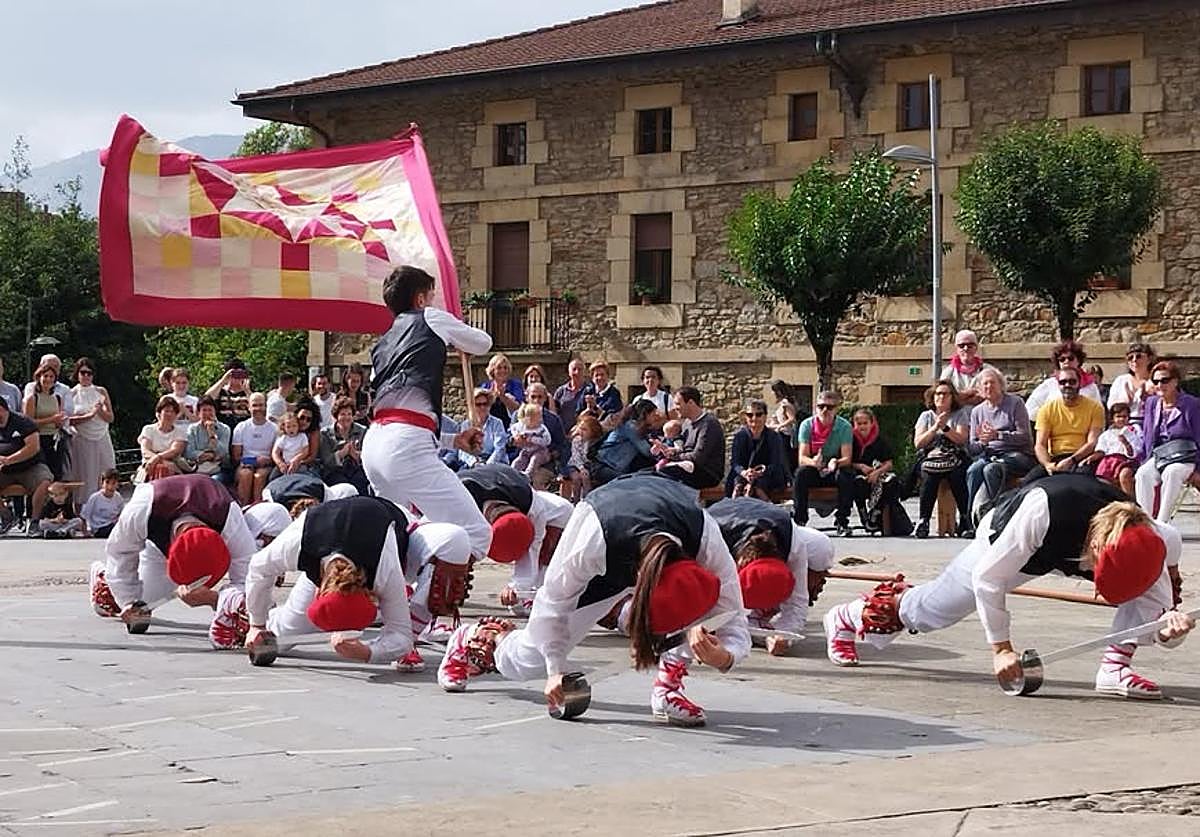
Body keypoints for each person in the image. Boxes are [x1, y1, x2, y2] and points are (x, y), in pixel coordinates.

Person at [823, 473, 1192, 700]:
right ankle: (847, 616)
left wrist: (1171, 629)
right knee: (937, 609)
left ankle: (1114, 669)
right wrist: (1001, 648)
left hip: (1070, 545)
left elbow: (1157, 619)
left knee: (1144, 598)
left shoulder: (1156, 540)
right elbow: (989, 578)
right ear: (1095, 546)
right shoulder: (1044, 511)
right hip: (1006, 541)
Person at [435, 474, 750, 728]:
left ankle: (667, 689)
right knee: (531, 659)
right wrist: (555, 670)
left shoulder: (706, 540)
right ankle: (474, 639)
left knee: (691, 609)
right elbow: (552, 604)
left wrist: (725, 657)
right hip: (605, 524)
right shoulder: (592, 542)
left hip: (653, 522)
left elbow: (732, 614)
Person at [244, 496, 473, 672]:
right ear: (319, 590)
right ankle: (240, 612)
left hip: (403, 535)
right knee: (283, 636)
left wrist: (368, 652)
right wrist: (257, 624)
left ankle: (418, 629)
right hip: (330, 543)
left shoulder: (385, 569)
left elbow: (401, 636)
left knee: (455, 541)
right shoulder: (297, 543)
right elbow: (257, 567)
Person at [361, 265, 494, 561]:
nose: (433, 302)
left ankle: (402, 596)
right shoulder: (430, 317)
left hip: (375, 446)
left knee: (398, 536)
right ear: (420, 300)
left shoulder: (381, 347)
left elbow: (400, 416)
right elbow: (483, 343)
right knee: (477, 534)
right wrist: (457, 329)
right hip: (405, 446)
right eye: (431, 296)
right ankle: (423, 603)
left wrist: (454, 441)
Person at [89, 473, 258, 649]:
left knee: (146, 604)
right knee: (140, 606)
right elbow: (120, 552)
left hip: (192, 525)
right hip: (155, 541)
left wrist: (218, 601)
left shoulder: (229, 518)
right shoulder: (141, 508)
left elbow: (248, 577)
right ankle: (104, 580)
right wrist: (128, 600)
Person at [709, 496, 835, 656]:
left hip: (767, 520)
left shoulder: (794, 546)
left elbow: (797, 603)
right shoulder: (711, 541)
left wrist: (784, 635)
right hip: (721, 518)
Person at [457, 464, 574, 617]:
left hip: (528, 497)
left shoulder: (533, 507)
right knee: (453, 545)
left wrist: (517, 589)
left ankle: (537, 594)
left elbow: (533, 548)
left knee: (564, 510)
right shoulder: (458, 498)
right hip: (472, 492)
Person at [1135, 360, 1200, 523]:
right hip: (1161, 454)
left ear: (1175, 381)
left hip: (1186, 455)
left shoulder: (1191, 405)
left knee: (1172, 473)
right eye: (1155, 381)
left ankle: (1162, 522)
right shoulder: (1152, 403)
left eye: (1164, 380)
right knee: (1142, 474)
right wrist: (1144, 460)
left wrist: (1198, 469)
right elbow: (1148, 436)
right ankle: (1145, 521)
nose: (1159, 385)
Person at [966, 368, 1034, 516]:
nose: (988, 387)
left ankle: (998, 514)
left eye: (992, 383)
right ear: (979, 389)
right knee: (973, 470)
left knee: (991, 469)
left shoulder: (1016, 403)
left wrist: (998, 435)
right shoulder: (977, 411)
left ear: (1001, 385)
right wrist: (983, 442)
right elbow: (972, 448)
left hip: (1018, 455)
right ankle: (969, 521)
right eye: (985, 384)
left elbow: (1025, 437)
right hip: (989, 454)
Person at [913, 381, 973, 539]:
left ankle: (965, 520)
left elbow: (961, 439)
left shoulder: (960, 414)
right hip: (931, 457)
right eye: (938, 394)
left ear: (952, 397)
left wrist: (945, 427)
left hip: (955, 456)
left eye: (945, 394)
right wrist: (934, 428)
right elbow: (918, 443)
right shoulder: (925, 416)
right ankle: (923, 520)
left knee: (957, 474)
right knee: (928, 475)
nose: (941, 397)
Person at [1023, 367, 1104, 484]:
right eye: (1063, 382)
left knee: (1085, 486)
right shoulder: (1046, 409)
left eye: (1072, 382)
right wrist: (1047, 465)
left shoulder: (1095, 408)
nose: (1067, 385)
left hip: (1082, 459)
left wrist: (1072, 460)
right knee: (1026, 485)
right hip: (1055, 459)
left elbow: (1092, 442)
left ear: (1079, 383)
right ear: (1058, 385)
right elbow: (1040, 444)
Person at [791, 390, 854, 536]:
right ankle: (800, 519)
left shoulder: (844, 427)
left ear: (836, 409)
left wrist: (836, 462)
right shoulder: (807, 425)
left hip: (833, 469)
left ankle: (842, 520)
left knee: (846, 475)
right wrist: (813, 462)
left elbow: (847, 458)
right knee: (801, 474)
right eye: (821, 406)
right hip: (814, 468)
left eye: (830, 407)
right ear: (815, 408)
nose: (825, 410)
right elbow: (802, 458)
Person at [654, 386, 726, 490]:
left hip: (707, 473)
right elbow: (682, 448)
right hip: (687, 466)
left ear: (691, 403)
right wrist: (667, 450)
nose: (675, 408)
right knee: (647, 473)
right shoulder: (687, 423)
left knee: (664, 473)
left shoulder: (709, 424)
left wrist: (675, 456)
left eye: (678, 404)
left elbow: (698, 457)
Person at [66, 357, 116, 505]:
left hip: (101, 436)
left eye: (90, 373)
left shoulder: (101, 391)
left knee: (106, 469)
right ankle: (81, 514)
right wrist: (88, 416)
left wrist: (99, 411)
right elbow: (68, 420)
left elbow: (111, 417)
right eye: (83, 372)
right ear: (77, 374)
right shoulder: (71, 393)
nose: (86, 376)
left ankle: (106, 508)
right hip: (81, 438)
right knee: (84, 475)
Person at [845, 408, 901, 534]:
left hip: (877, 474)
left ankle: (876, 513)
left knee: (892, 482)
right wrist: (860, 467)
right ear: (854, 425)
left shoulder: (879, 439)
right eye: (859, 424)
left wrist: (877, 472)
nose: (862, 427)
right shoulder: (850, 439)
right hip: (859, 475)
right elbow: (847, 461)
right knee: (856, 483)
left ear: (872, 423)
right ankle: (863, 514)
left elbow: (889, 463)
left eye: (865, 423)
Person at [0, 396, 52, 529]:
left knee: (44, 481)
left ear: (3, 409)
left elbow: (33, 447)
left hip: (30, 466)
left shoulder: (23, 421)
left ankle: (34, 522)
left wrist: (9, 459)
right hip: (4, 470)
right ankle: (6, 516)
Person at [1025, 339, 1102, 425]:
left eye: (1070, 358)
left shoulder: (1091, 387)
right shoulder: (1050, 384)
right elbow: (1029, 410)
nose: (1066, 362)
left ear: (1079, 361)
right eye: (1062, 359)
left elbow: (1100, 415)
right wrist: (1050, 419)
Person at [725, 398, 789, 500]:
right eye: (750, 415)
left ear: (765, 416)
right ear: (746, 417)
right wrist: (744, 472)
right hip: (745, 475)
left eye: (758, 414)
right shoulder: (740, 436)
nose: (754, 418)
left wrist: (758, 473)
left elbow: (776, 462)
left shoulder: (774, 437)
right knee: (738, 486)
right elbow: (735, 462)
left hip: (768, 475)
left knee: (758, 487)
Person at [590, 400, 661, 486]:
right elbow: (646, 450)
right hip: (604, 466)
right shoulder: (631, 427)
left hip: (615, 467)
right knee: (630, 484)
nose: (656, 417)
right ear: (645, 414)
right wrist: (659, 450)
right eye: (653, 414)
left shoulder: (639, 428)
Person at [24, 362, 70, 481]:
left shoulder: (57, 398)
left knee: (56, 475)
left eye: (51, 377)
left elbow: (57, 421)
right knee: (41, 477)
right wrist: (50, 419)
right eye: (45, 376)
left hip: (55, 440)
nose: (48, 379)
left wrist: (59, 421)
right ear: (39, 377)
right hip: (39, 441)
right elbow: (27, 424)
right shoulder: (33, 398)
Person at [232, 393, 276, 505]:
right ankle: (243, 507)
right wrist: (253, 462)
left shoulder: (274, 428)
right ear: (249, 407)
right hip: (245, 464)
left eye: (261, 405)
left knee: (259, 476)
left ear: (266, 406)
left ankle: (258, 508)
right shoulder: (241, 427)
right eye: (254, 405)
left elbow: (275, 455)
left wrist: (266, 461)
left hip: (267, 464)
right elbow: (236, 456)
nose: (258, 409)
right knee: (245, 475)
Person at [319, 397, 369, 494]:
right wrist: (342, 453)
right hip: (334, 471)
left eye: (349, 414)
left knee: (360, 483)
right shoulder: (325, 433)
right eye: (342, 414)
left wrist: (356, 455)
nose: (346, 417)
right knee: (344, 487)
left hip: (355, 469)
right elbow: (326, 461)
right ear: (336, 416)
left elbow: (368, 456)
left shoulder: (362, 431)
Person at [135, 396, 188, 483]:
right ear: (158, 413)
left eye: (173, 412)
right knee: (160, 468)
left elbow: (175, 451)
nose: (170, 414)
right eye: (166, 411)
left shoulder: (180, 432)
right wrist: (159, 460)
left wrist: (158, 457)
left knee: (164, 469)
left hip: (173, 465)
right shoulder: (148, 429)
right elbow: (145, 450)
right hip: (150, 463)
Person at [1093, 403, 1142, 497]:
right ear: (1112, 419)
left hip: (1125, 461)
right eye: (1118, 416)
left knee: (1124, 475)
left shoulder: (1132, 433)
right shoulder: (1106, 434)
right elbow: (1101, 450)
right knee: (1102, 478)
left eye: (1124, 416)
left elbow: (1135, 452)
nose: (1121, 419)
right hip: (1109, 461)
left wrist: (1126, 443)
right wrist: (1092, 457)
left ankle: (1130, 500)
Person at [939, 329, 994, 407]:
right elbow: (944, 398)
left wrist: (961, 396)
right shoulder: (948, 373)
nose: (965, 348)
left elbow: (995, 395)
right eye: (961, 346)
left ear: (976, 347)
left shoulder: (988, 370)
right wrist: (971, 393)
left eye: (970, 345)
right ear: (956, 348)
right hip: (957, 416)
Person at [1108, 342, 1157, 428]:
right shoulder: (1121, 381)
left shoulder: (1156, 381)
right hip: (1122, 423)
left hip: (1148, 424)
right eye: (1130, 357)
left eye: (1138, 356)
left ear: (1149, 359)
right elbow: (1111, 406)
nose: (1134, 360)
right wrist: (1124, 404)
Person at [185, 396, 232, 479]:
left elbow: (224, 453)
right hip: (197, 468)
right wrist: (209, 456)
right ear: (199, 413)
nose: (207, 413)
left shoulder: (225, 429)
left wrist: (212, 434)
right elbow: (189, 452)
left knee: (215, 481)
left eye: (210, 410)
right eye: (204, 410)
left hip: (219, 469)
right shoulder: (192, 429)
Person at [206, 358, 252, 432]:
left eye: (240, 374)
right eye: (234, 374)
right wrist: (222, 381)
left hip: (243, 432)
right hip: (224, 432)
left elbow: (256, 405)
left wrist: (247, 391)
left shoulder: (247, 393)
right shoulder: (220, 391)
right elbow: (206, 398)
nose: (236, 377)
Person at [565, 414, 603, 502]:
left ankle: (586, 500)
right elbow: (576, 456)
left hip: (588, 465)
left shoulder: (594, 442)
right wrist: (581, 468)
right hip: (574, 464)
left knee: (586, 477)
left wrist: (586, 468)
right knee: (576, 478)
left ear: (592, 431)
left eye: (585, 430)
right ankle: (576, 501)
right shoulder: (577, 440)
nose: (581, 431)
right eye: (580, 428)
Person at [509, 403, 553, 478]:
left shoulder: (541, 429)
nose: (540, 420)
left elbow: (547, 441)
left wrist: (533, 439)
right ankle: (512, 474)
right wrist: (516, 435)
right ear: (528, 419)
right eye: (537, 418)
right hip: (527, 451)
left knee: (534, 460)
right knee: (519, 461)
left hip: (540, 451)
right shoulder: (522, 426)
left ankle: (527, 475)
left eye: (540, 417)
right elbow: (513, 428)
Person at [480, 353, 523, 429]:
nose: (503, 370)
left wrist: (503, 397)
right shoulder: (485, 387)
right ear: (493, 370)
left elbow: (518, 409)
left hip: (510, 427)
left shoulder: (515, 385)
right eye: (499, 368)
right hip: (491, 428)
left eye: (505, 368)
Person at [80, 469, 124, 538]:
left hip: (113, 524)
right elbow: (84, 516)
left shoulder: (118, 498)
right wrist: (85, 532)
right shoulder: (94, 498)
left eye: (113, 483)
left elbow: (122, 513)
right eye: (107, 482)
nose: (110, 486)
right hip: (99, 527)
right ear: (102, 483)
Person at [270, 412, 314, 480]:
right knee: (272, 477)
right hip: (285, 464)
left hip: (299, 463)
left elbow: (305, 451)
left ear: (298, 426)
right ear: (283, 427)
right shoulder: (283, 438)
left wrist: (296, 459)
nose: (291, 429)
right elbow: (275, 452)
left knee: (303, 475)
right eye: (288, 427)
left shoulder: (302, 436)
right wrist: (280, 463)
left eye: (294, 426)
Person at [580, 361, 623, 427]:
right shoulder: (587, 391)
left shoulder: (614, 393)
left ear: (608, 376)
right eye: (596, 375)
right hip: (586, 427)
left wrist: (596, 408)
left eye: (602, 375)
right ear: (592, 378)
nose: (599, 378)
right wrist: (588, 409)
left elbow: (612, 418)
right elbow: (578, 414)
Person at [766, 380, 798, 469]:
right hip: (780, 434)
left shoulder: (785, 403)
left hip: (785, 435)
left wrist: (780, 426)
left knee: (786, 460)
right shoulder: (781, 404)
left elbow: (792, 419)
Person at [553, 358, 588, 433]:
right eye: (574, 369)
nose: (577, 372)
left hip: (582, 434)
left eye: (580, 369)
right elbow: (554, 412)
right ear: (569, 372)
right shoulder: (561, 391)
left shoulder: (590, 390)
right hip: (563, 433)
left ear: (584, 372)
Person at [167, 367, 199, 433]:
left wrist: (185, 411)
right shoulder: (167, 399)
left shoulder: (195, 400)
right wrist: (179, 412)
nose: (181, 386)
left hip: (191, 435)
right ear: (172, 383)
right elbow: (165, 422)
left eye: (184, 383)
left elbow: (198, 421)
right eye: (178, 383)